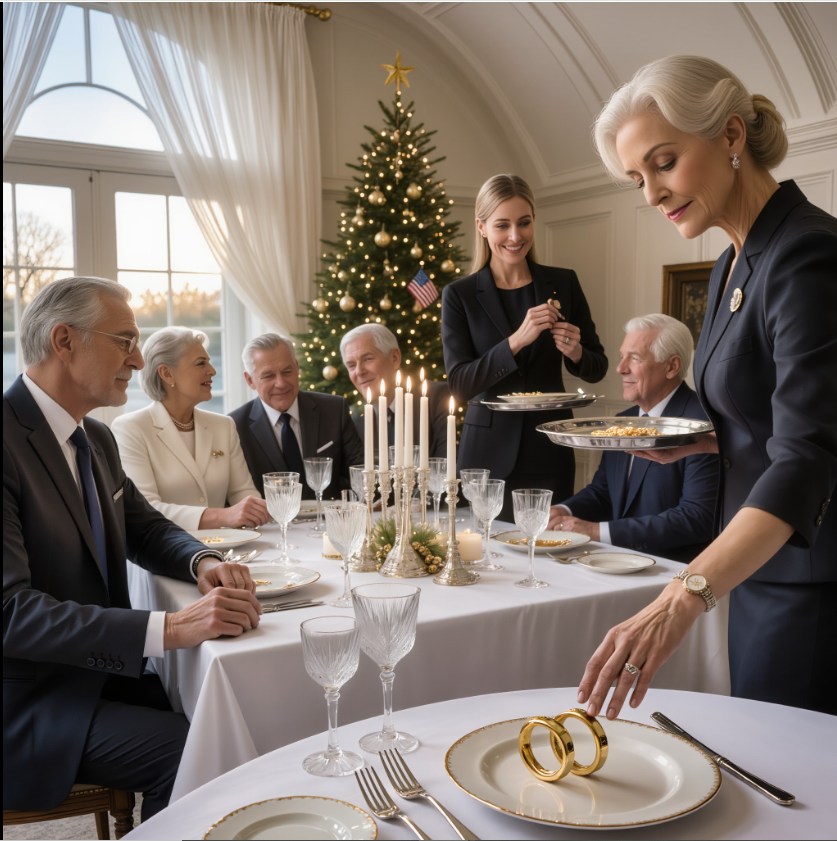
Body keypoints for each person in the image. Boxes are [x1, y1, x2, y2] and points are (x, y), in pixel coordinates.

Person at [578, 55, 837, 719]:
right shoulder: (728, 263)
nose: (650, 194)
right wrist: (691, 443)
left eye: (662, 163)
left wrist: (682, 593)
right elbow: (756, 420)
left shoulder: (808, 254)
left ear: (728, 137)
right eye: (638, 177)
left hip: (810, 580)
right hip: (754, 571)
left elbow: (805, 456)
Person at [3, 276, 261, 821]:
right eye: (125, 340)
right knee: (193, 750)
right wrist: (170, 629)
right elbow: (11, 613)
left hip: (93, 675)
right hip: (28, 702)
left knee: (234, 719)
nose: (139, 358)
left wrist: (204, 560)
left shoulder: (93, 438)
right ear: (64, 340)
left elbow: (144, 529)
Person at [441, 173, 608, 519]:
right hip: (485, 455)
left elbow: (597, 367)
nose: (515, 237)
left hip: (549, 446)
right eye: (502, 225)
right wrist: (516, 341)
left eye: (524, 223)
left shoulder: (564, 282)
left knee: (548, 550)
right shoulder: (460, 294)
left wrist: (575, 351)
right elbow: (459, 383)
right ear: (482, 227)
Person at [548, 313, 719, 562]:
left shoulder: (701, 425)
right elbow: (603, 492)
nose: (620, 368)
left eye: (634, 358)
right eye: (621, 356)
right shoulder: (622, 420)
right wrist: (563, 510)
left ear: (672, 366)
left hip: (674, 572)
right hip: (617, 562)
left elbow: (695, 518)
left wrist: (595, 531)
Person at [111, 327, 269, 531]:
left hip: (229, 548)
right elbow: (146, 509)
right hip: (164, 556)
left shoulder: (224, 426)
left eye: (209, 362)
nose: (212, 370)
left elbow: (244, 493)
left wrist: (255, 512)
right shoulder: (130, 428)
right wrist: (223, 516)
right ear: (167, 373)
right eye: (201, 363)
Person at [230, 333, 364, 497]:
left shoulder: (334, 409)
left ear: (297, 367)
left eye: (287, 371)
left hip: (329, 519)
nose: (280, 383)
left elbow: (359, 470)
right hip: (269, 522)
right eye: (269, 376)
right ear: (250, 380)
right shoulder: (234, 427)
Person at [340, 322, 449, 458]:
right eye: (351, 365)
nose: (359, 371)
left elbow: (447, 469)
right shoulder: (355, 420)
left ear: (394, 358)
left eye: (367, 359)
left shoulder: (434, 398)